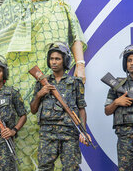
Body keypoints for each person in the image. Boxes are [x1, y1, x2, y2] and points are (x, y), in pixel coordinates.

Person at [0, 0, 87, 169]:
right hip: (21, 76)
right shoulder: (12, 4)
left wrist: (80, 65)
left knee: (58, 127)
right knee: (24, 123)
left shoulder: (61, 4)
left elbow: (76, 35)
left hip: (55, 77)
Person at [30, 42, 89, 171]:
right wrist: (40, 94)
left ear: (64, 60)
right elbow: (33, 110)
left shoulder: (75, 82)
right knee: (44, 167)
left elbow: (81, 109)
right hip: (47, 133)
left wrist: (83, 131)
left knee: (71, 168)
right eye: (51, 59)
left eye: (57, 59)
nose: (54, 62)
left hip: (69, 133)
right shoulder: (41, 82)